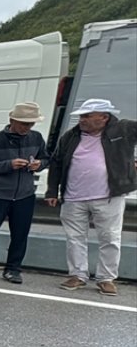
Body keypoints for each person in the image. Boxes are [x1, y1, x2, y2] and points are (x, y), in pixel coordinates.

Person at [45, 98, 137, 296]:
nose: (82, 120)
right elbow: (57, 163)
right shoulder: (70, 136)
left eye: (87, 116)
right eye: (81, 116)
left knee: (110, 237)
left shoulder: (123, 129)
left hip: (108, 195)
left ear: (104, 117)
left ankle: (106, 278)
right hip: (73, 196)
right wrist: (52, 190)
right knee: (75, 238)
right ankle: (77, 275)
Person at [0, 102, 49, 283]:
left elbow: (46, 158)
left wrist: (39, 164)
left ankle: (13, 269)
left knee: (20, 234)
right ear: (12, 119)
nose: (26, 128)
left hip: (25, 195)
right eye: (23, 123)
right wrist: (9, 165)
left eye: (30, 124)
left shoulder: (37, 138)